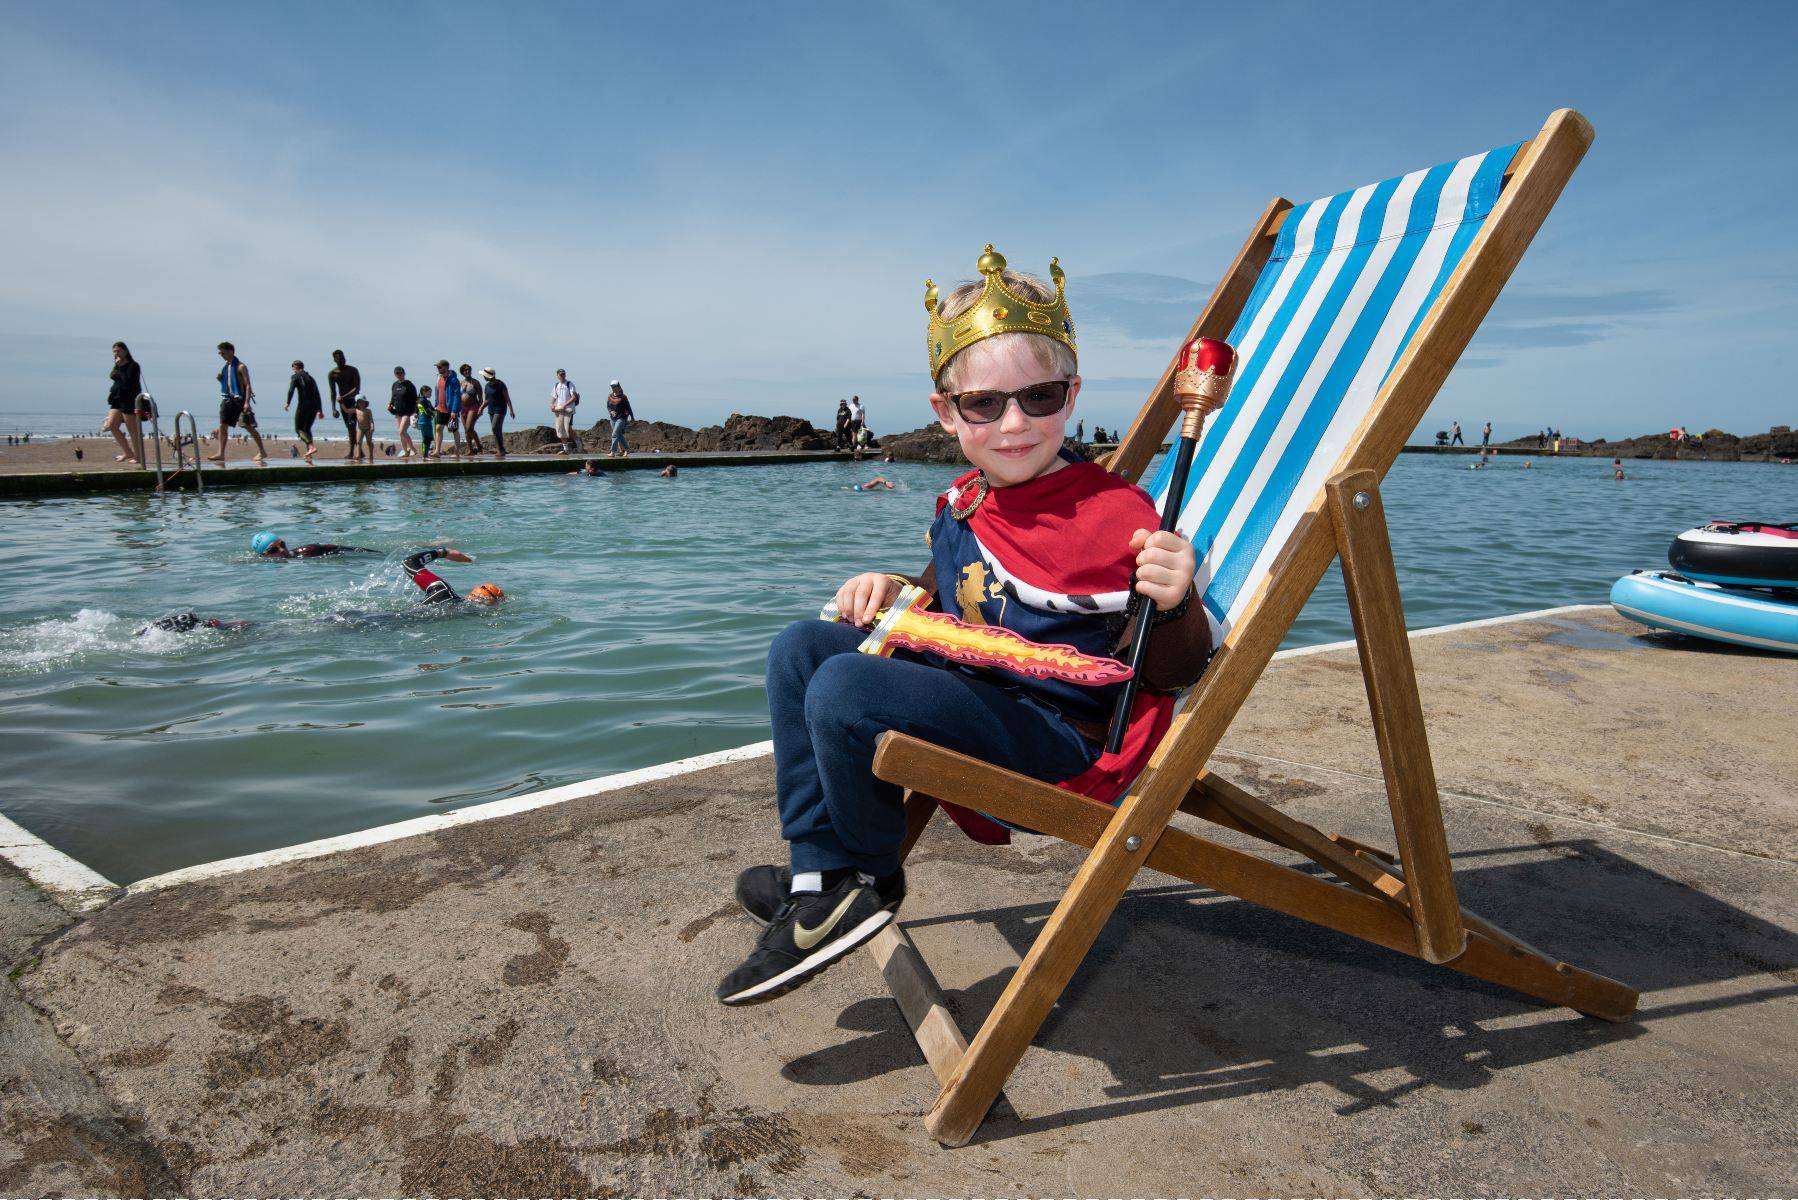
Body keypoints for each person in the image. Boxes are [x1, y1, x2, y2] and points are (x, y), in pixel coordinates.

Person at [714, 247, 1211, 1006]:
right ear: (946, 412)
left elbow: (1173, 672)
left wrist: (1176, 601)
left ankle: (868, 878)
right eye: (984, 404)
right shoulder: (967, 501)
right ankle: (820, 873)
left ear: (1070, 396)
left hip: (1061, 739)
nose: (1014, 424)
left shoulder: (1118, 518)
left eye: (1038, 397)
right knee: (802, 649)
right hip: (983, 692)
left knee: (846, 684)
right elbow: (961, 601)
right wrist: (897, 589)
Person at [211, 341, 267, 463]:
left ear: (230, 351)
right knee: (222, 425)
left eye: (222, 352)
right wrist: (221, 380)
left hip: (240, 400)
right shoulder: (226, 367)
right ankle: (221, 453)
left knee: (248, 427)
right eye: (220, 352)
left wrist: (246, 402)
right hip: (227, 399)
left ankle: (262, 451)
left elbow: (247, 386)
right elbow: (229, 385)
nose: (221, 354)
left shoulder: (241, 366)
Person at [399, 547, 504, 607]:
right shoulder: (469, 615)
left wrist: (443, 552)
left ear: (474, 591)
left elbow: (409, 562)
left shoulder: (442, 590)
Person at [103, 341, 145, 465]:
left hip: (129, 399)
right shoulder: (117, 365)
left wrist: (120, 367)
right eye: (114, 351)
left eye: (119, 351)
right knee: (111, 425)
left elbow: (128, 381)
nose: (117, 353)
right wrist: (117, 366)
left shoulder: (133, 365)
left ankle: (138, 456)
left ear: (125, 351)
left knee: (132, 429)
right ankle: (128, 452)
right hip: (116, 399)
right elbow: (113, 376)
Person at [285, 360, 323, 463]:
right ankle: (309, 455)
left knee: (298, 429)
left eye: (293, 368)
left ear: (296, 367)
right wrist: (320, 410)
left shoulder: (296, 376)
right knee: (307, 428)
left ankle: (311, 447)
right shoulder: (311, 378)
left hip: (303, 405)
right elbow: (317, 394)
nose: (293, 371)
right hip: (314, 406)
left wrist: (287, 403)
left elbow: (291, 390)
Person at [328, 350, 363, 461]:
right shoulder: (333, 374)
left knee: (352, 425)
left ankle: (352, 452)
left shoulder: (353, 370)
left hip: (353, 401)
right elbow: (333, 392)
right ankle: (359, 451)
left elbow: (357, 388)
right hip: (342, 403)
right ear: (335, 360)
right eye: (339, 358)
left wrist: (344, 396)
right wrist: (333, 408)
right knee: (349, 427)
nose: (342, 360)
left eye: (343, 357)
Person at [251, 531, 376, 558]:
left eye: (282, 544)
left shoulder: (309, 550)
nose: (283, 550)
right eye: (273, 550)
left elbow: (345, 548)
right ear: (264, 555)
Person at [481, 368, 514, 458]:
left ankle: (501, 449)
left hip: (500, 409)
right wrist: (481, 409)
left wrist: (511, 409)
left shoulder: (500, 384)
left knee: (494, 427)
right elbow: (486, 400)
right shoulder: (487, 386)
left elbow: (507, 398)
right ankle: (500, 449)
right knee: (496, 430)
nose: (484, 377)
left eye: (485, 375)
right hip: (491, 409)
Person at [433, 360, 463, 458]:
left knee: (453, 430)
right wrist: (436, 404)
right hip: (440, 408)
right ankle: (437, 451)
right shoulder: (439, 378)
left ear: (446, 367)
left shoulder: (454, 380)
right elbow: (437, 392)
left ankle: (457, 452)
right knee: (438, 428)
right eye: (437, 367)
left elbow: (457, 395)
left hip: (450, 410)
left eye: (440, 367)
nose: (438, 369)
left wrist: (454, 410)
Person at [389, 367, 420, 458]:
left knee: (402, 431)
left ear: (404, 373)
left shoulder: (409, 385)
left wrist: (416, 412)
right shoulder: (394, 385)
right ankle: (406, 451)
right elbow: (393, 397)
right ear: (395, 375)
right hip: (398, 411)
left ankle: (413, 450)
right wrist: (390, 404)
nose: (399, 375)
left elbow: (416, 399)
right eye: (397, 373)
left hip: (408, 412)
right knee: (400, 433)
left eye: (400, 373)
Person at [550, 369, 579, 453]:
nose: (562, 376)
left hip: (568, 410)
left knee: (568, 428)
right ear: (557, 376)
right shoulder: (556, 385)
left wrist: (565, 404)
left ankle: (578, 443)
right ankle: (565, 449)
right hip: (559, 409)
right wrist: (551, 405)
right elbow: (554, 397)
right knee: (560, 428)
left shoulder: (570, 384)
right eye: (561, 374)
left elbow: (574, 397)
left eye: (563, 374)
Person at [458, 364, 484, 454]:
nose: (467, 371)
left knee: (469, 428)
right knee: (467, 430)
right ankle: (471, 450)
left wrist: (481, 409)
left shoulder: (476, 382)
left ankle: (479, 446)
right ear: (462, 372)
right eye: (465, 370)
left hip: (473, 406)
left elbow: (480, 397)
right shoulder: (460, 383)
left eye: (468, 369)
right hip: (462, 408)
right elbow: (457, 396)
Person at [606, 381, 634, 457]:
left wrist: (632, 417)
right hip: (613, 419)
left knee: (614, 434)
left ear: (618, 387)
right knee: (619, 435)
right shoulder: (610, 396)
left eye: (614, 386)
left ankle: (613, 452)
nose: (613, 388)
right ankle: (627, 450)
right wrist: (611, 412)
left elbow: (628, 407)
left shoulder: (623, 397)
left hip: (621, 418)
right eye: (612, 387)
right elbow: (608, 406)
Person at [416, 385, 435, 456]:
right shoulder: (422, 400)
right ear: (424, 392)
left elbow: (432, 410)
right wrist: (435, 414)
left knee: (428, 438)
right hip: (424, 421)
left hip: (426, 421)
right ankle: (425, 455)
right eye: (429, 392)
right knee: (427, 438)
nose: (431, 394)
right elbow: (427, 411)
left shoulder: (426, 401)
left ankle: (426, 454)